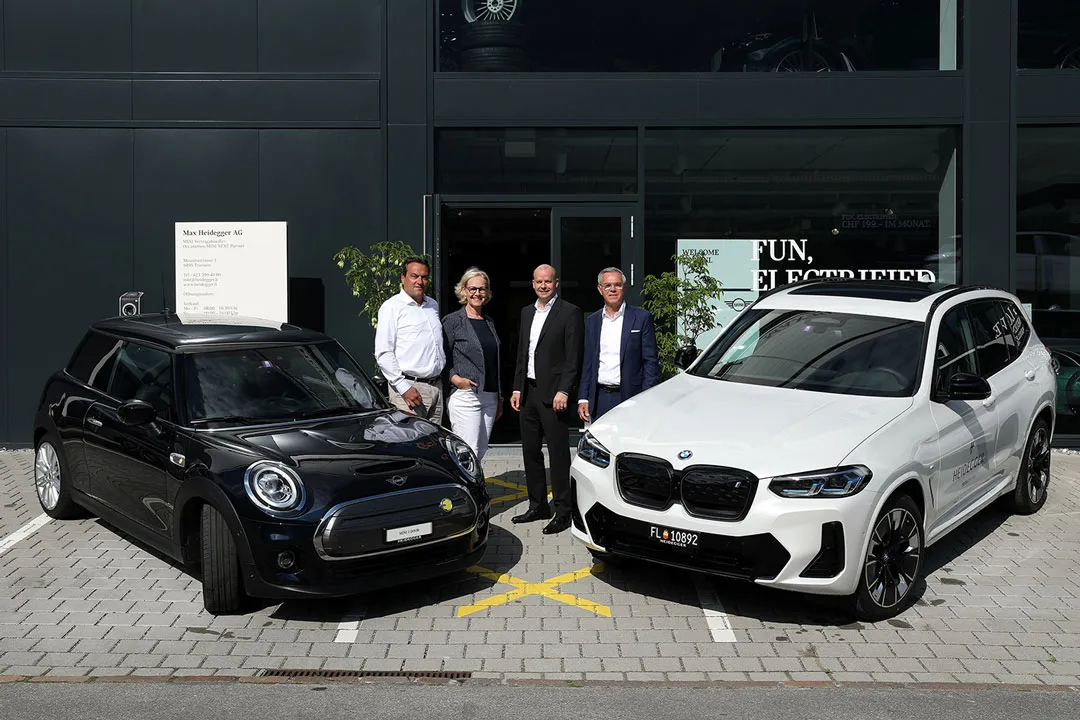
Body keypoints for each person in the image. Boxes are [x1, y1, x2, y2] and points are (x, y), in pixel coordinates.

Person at [510, 264, 584, 535]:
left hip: (554, 396)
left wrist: (564, 390)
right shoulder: (526, 312)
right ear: (533, 283)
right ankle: (538, 504)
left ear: (556, 283)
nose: (543, 286)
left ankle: (563, 511)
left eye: (548, 282)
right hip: (528, 394)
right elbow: (523, 354)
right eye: (539, 281)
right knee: (530, 451)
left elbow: (573, 358)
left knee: (558, 454)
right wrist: (517, 388)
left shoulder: (570, 312)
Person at [579, 267, 661, 422]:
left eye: (617, 285)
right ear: (600, 289)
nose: (613, 290)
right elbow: (588, 362)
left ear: (624, 288)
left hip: (631, 396)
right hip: (600, 397)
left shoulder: (641, 317)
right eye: (608, 286)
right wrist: (583, 397)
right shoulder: (593, 320)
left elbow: (651, 361)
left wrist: (646, 397)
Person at [374, 256, 446, 423]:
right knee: (410, 442)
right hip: (410, 389)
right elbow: (384, 352)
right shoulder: (392, 307)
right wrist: (403, 388)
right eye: (414, 276)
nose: (419, 281)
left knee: (433, 445)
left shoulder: (432, 305)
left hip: (436, 388)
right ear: (403, 278)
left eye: (424, 277)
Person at [442, 267, 503, 460]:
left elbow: (495, 361)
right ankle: (468, 489)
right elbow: (442, 357)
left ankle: (474, 487)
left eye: (482, 289)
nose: (477, 293)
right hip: (466, 395)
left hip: (490, 396)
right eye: (473, 289)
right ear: (464, 291)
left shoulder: (489, 322)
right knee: (468, 452)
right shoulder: (452, 321)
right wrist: (456, 379)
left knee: (481, 451)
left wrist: (499, 397)